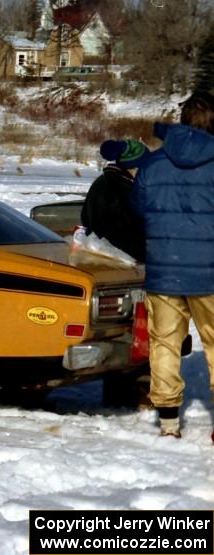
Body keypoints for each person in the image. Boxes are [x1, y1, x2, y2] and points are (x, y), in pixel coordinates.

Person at [135, 91, 214, 440]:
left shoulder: (153, 163)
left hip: (165, 268)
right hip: (211, 270)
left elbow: (139, 207)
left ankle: (169, 423)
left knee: (164, 344)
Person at [80, 139, 147, 262]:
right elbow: (134, 230)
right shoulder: (125, 189)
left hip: (105, 256)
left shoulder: (101, 182)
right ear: (135, 166)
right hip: (127, 262)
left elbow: (85, 218)